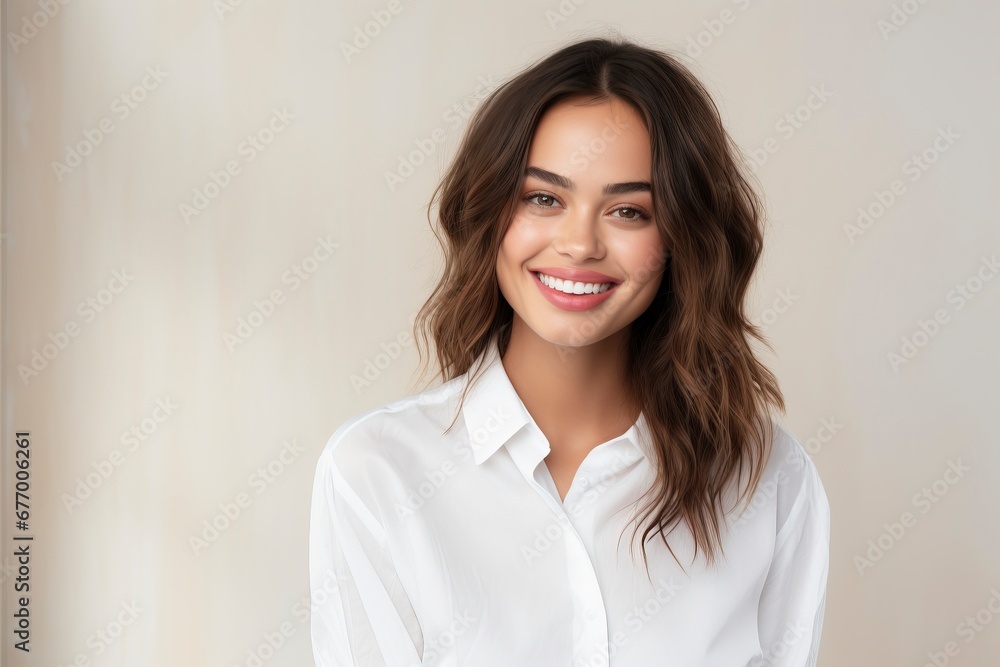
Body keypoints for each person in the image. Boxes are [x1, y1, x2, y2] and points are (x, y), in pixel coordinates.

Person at [309, 34, 830, 667]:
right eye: (543, 198)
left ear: (681, 238)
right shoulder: (377, 472)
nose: (579, 244)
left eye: (629, 211)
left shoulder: (769, 477)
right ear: (491, 213)